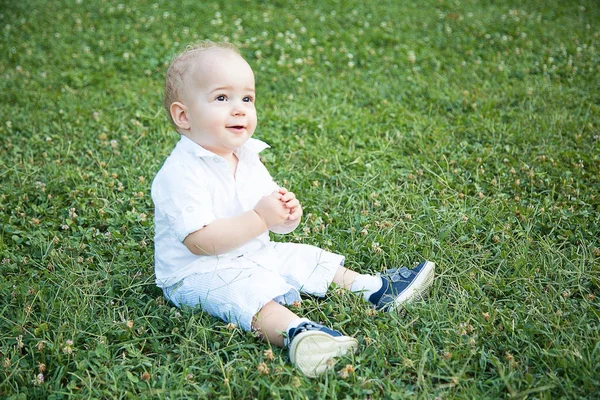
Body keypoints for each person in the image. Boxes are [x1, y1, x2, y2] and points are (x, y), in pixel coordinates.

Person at [151, 41, 435, 377]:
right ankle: (299, 334)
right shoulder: (179, 173)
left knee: (301, 256)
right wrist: (260, 218)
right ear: (184, 116)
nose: (240, 109)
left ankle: (374, 289)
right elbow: (200, 242)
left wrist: (285, 215)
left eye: (247, 98)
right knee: (245, 294)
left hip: (251, 251)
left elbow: (270, 210)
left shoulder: (247, 155)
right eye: (221, 98)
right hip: (196, 273)